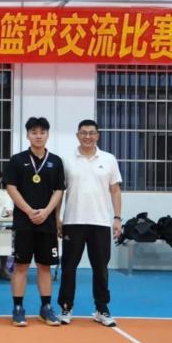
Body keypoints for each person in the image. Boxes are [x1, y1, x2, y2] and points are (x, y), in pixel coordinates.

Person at [57, 119, 122, 327]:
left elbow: (115, 190)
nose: (87, 136)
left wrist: (117, 218)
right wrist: (57, 218)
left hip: (100, 222)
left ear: (98, 135)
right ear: (78, 135)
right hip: (73, 221)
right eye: (83, 133)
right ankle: (66, 306)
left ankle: (102, 308)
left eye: (91, 133)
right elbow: (59, 192)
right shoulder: (67, 160)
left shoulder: (109, 159)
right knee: (68, 267)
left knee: (100, 268)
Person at [4, 117, 64, 327]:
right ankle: (18, 308)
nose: (38, 136)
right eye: (34, 132)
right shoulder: (17, 160)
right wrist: (29, 211)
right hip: (23, 222)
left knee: (44, 266)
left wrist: (47, 212)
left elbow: (59, 190)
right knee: (21, 266)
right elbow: (11, 187)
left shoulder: (56, 161)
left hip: (46, 223)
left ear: (47, 135)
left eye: (42, 132)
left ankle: (46, 308)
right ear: (27, 135)